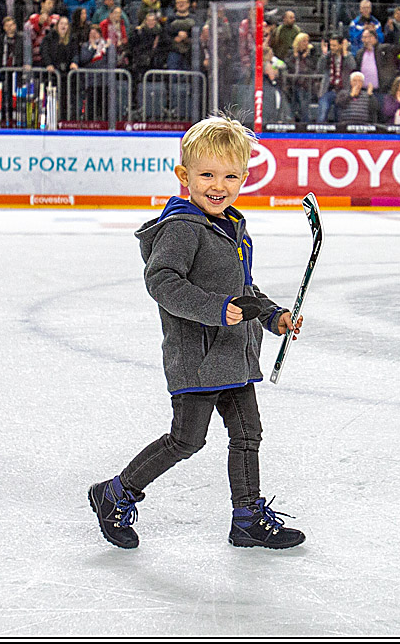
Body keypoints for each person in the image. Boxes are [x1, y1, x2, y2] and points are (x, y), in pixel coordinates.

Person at [88, 114, 306, 551]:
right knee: (186, 440)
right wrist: (214, 310)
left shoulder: (232, 226)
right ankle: (114, 492)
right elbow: (162, 281)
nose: (218, 185)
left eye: (230, 176)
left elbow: (242, 290)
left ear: (244, 177)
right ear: (184, 175)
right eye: (206, 174)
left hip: (235, 356)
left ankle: (246, 517)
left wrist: (273, 316)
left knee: (248, 434)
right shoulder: (184, 227)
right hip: (199, 358)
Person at [315, 34, 355, 122]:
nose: (332, 48)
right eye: (331, 45)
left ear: (341, 45)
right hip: (328, 90)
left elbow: (352, 67)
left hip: (343, 91)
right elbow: (319, 69)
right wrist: (324, 54)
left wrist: (345, 53)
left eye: (334, 45)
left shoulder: (348, 56)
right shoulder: (327, 56)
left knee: (339, 117)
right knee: (322, 114)